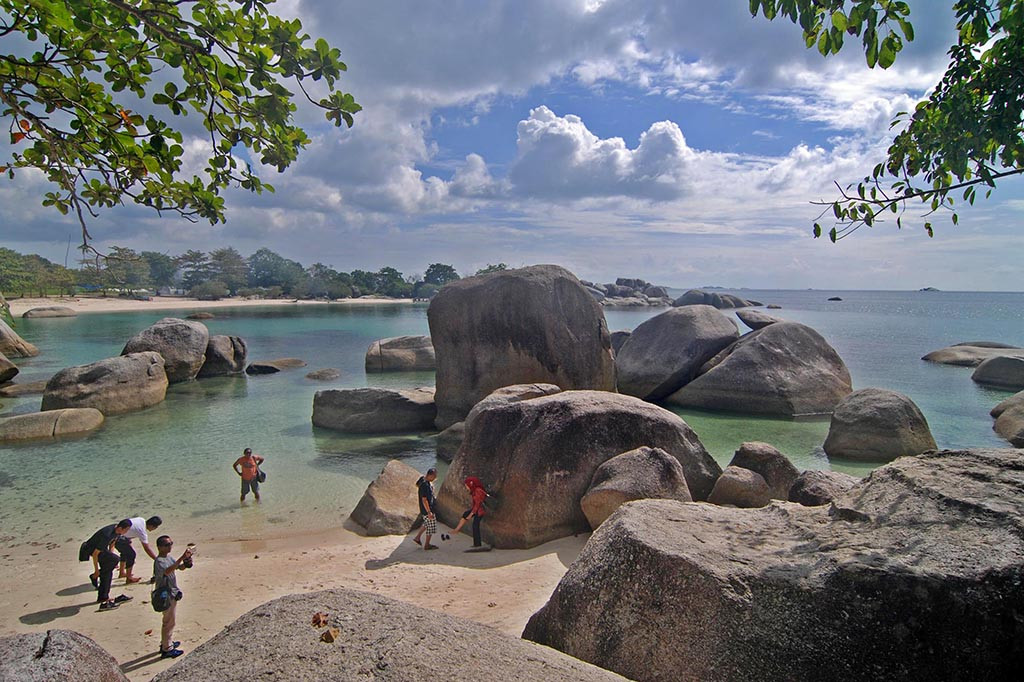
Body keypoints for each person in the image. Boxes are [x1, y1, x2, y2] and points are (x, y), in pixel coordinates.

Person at [152, 535, 193, 659]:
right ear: (159, 547)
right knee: (169, 622)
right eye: (167, 545)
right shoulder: (159, 561)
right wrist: (181, 557)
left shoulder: (168, 557)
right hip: (166, 595)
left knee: (170, 621)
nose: (170, 546)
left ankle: (166, 642)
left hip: (172, 593)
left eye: (171, 544)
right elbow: (168, 571)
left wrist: (186, 563)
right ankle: (167, 648)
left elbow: (178, 568)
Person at [83, 522, 133, 610]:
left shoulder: (117, 530)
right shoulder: (107, 534)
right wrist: (96, 571)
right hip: (91, 549)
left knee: (109, 569)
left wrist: (110, 556)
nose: (127, 532)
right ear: (121, 528)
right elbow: (95, 554)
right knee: (113, 562)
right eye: (126, 530)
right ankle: (101, 592)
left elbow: (112, 544)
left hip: (101, 550)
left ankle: (103, 597)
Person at [116, 516, 162, 584]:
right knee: (131, 555)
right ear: (152, 526)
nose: (155, 529)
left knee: (125, 552)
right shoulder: (142, 532)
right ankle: (129, 578)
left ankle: (122, 573)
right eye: (156, 527)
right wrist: (156, 559)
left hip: (117, 535)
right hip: (119, 539)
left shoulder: (141, 519)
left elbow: (131, 529)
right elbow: (147, 549)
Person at [450, 477, 489, 550]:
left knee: (475, 526)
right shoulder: (474, 490)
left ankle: (477, 544)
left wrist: (471, 514)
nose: (466, 487)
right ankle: (457, 530)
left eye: (467, 485)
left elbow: (477, 504)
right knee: (465, 515)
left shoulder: (478, 491)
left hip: (480, 511)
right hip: (477, 510)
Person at [412, 468, 439, 550]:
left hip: (425, 509)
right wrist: (429, 512)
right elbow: (424, 499)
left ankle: (417, 537)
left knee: (427, 524)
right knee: (430, 527)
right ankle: (427, 545)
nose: (435, 478)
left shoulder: (423, 481)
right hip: (427, 510)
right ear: (430, 475)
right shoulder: (425, 485)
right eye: (434, 476)